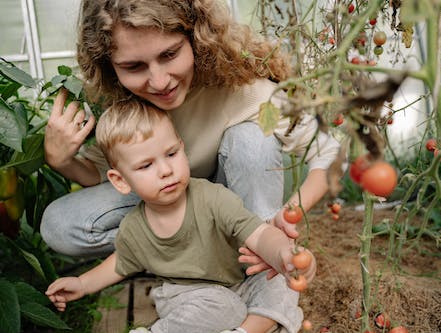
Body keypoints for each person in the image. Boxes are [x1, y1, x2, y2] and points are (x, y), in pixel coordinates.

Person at [41, 0, 341, 331]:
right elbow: (103, 174)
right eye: (134, 66)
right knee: (59, 224)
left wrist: (290, 213)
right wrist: (61, 161)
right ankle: (177, 261)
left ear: (196, 38)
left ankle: (254, 258)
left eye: (169, 55)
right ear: (112, 65)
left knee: (252, 140)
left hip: (233, 209)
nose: (159, 81)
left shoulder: (243, 87)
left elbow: (329, 153)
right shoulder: (113, 100)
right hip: (164, 203)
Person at [45, 100, 316, 333]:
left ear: (182, 148)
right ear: (120, 181)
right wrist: (82, 283)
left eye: (172, 154)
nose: (165, 170)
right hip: (185, 294)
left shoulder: (212, 198)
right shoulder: (136, 225)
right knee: (225, 306)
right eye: (146, 165)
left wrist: (283, 253)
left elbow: (258, 233)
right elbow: (120, 264)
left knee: (280, 285)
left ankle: (242, 331)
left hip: (236, 282)